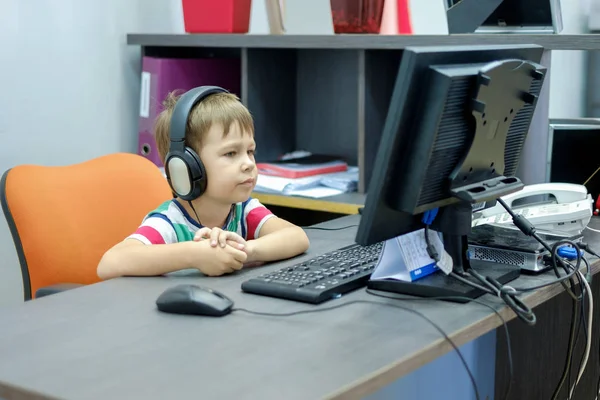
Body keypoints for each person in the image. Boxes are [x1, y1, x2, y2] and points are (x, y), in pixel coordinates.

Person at [97, 89, 310, 279]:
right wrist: (196, 254)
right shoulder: (170, 221)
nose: (248, 164)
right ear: (187, 167)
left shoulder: (243, 210)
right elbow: (110, 263)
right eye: (231, 153)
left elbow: (297, 237)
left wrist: (245, 250)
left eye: (250, 151)